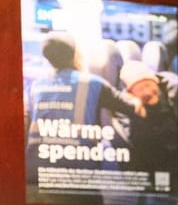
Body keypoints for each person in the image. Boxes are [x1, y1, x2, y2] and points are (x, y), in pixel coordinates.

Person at [24, 32, 144, 185]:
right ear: (75, 54)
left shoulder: (35, 86)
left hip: (36, 179)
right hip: (78, 180)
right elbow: (135, 107)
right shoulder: (94, 84)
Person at [114, 59, 178, 185]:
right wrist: (138, 113)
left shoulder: (174, 89)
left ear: (156, 81)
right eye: (139, 89)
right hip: (154, 165)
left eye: (148, 85)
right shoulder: (124, 108)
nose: (147, 92)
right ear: (130, 93)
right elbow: (134, 145)